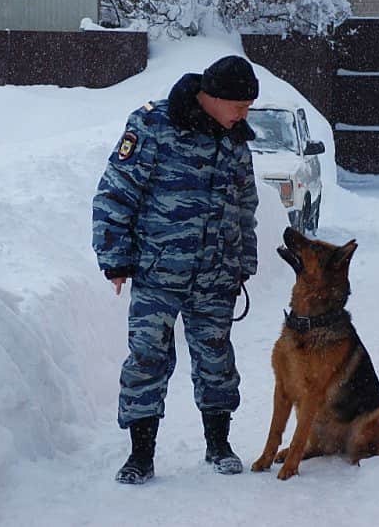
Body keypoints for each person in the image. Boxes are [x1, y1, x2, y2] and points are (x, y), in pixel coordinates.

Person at [92, 55, 260, 484]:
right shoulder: (154, 125)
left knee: (217, 359)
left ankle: (218, 444)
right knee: (147, 359)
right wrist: (114, 258)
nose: (245, 115)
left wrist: (244, 261)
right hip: (158, 272)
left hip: (217, 274)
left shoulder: (234, 137)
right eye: (240, 106)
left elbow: (245, 205)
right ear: (214, 96)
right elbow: (116, 192)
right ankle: (140, 455)